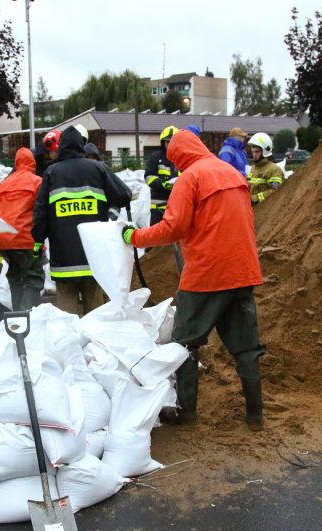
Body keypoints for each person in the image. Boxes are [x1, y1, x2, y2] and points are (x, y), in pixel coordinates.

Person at [121, 130, 266, 429]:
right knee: (246, 349)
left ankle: (187, 413)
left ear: (179, 158)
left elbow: (172, 228)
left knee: (185, 344)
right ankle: (255, 416)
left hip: (205, 275)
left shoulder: (191, 178)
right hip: (243, 271)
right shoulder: (233, 173)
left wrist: (134, 236)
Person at [32, 125, 132, 315]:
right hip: (93, 259)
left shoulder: (52, 173)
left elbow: (40, 213)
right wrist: (108, 216)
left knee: (66, 316)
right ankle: (97, 342)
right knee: (96, 312)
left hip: (63, 262)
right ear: (81, 146)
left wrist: (37, 242)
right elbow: (124, 195)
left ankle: (69, 343)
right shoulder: (98, 169)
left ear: (61, 147)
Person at [0, 147, 44, 311]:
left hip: (4, 240)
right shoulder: (36, 181)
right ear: (33, 162)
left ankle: (16, 316)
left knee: (15, 278)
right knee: (33, 278)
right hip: (25, 238)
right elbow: (40, 211)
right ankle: (27, 316)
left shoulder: (3, 183)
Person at [144, 126, 180, 226]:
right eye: (167, 142)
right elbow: (148, 177)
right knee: (156, 238)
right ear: (163, 143)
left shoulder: (183, 158)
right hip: (158, 208)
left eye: (173, 141)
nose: (170, 144)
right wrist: (163, 184)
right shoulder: (155, 157)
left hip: (178, 206)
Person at [246, 132, 285, 206]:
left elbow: (276, 191)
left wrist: (255, 199)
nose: (254, 155)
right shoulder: (253, 168)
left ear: (265, 151)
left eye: (257, 152)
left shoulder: (274, 170)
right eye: (252, 152)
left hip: (266, 210)